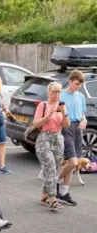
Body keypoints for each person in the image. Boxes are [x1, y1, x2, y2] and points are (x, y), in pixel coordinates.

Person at [34, 82, 70, 211]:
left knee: (55, 169)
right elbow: (36, 123)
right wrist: (48, 116)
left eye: (59, 92)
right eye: (54, 91)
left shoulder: (62, 106)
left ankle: (44, 196)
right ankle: (52, 197)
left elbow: (66, 125)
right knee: (49, 166)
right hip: (44, 138)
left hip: (58, 138)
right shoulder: (43, 105)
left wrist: (64, 112)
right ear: (48, 92)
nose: (56, 95)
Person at [58, 70, 86, 206]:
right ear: (70, 81)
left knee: (73, 163)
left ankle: (63, 193)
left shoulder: (80, 96)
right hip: (67, 127)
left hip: (78, 128)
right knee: (73, 162)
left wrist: (84, 119)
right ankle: (56, 182)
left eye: (80, 84)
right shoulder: (61, 95)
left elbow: (82, 113)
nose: (78, 86)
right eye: (76, 84)